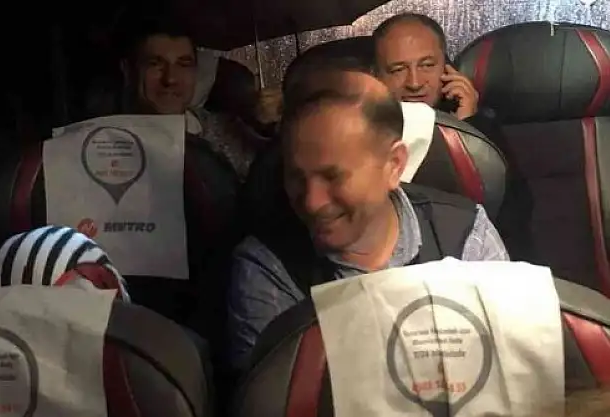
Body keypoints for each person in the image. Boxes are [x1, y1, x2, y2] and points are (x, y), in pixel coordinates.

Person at [227, 70, 509, 371]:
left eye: (333, 177)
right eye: (296, 177)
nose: (312, 202)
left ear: (394, 165)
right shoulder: (268, 267)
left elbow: (507, 365)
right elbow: (281, 393)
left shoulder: (466, 235)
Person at [372, 12, 533, 261]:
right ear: (376, 77)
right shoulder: (363, 134)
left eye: (427, 65)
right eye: (398, 69)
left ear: (447, 69)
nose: (414, 82)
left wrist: (469, 127)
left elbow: (516, 217)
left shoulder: (481, 125)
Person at [120, 20, 257, 178]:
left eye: (183, 65)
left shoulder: (225, 131)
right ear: (128, 71)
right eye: (155, 64)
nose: (170, 79)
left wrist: (272, 126)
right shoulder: (105, 139)